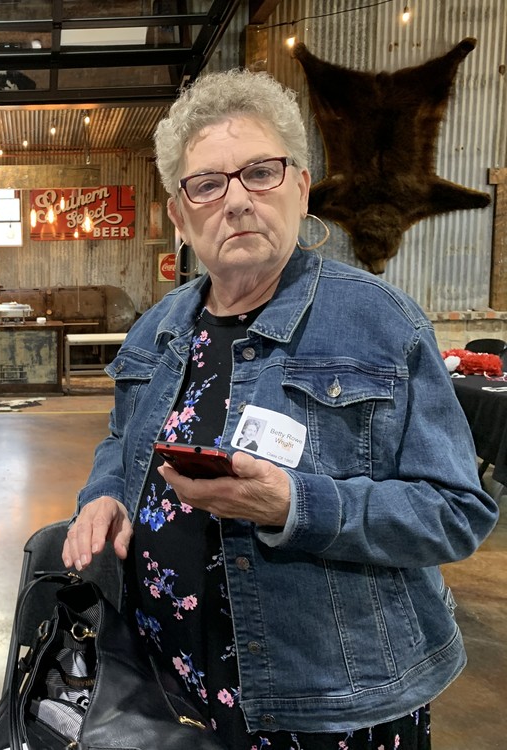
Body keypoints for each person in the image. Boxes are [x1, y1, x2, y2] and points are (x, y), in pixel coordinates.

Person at [61, 69, 498, 749]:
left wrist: (294, 505)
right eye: (207, 184)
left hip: (327, 701)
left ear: (301, 187)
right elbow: (122, 444)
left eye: (260, 173)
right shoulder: (158, 330)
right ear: (180, 216)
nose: (237, 201)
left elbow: (455, 512)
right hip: (167, 684)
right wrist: (104, 496)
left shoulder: (380, 322)